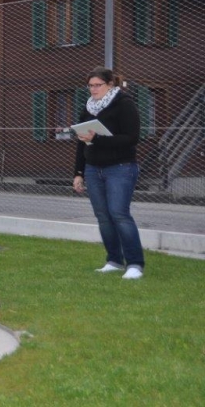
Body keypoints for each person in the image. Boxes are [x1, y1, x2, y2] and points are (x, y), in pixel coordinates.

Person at [72, 67, 144, 280]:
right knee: (103, 216)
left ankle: (135, 264)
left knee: (119, 214)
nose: (93, 89)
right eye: (90, 85)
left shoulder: (124, 104)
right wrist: (78, 172)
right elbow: (81, 143)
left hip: (120, 167)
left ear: (110, 84)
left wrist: (97, 139)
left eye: (98, 85)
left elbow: (132, 138)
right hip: (93, 169)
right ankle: (114, 261)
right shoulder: (88, 108)